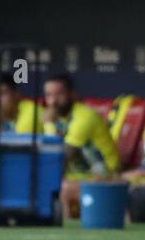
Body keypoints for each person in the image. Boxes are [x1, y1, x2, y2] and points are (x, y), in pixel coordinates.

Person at [41, 74, 120, 218]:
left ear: (72, 94)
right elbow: (49, 155)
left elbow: (61, 159)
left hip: (105, 175)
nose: (53, 101)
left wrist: (49, 124)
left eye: (59, 94)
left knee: (61, 187)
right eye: (48, 95)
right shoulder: (55, 117)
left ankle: (63, 233)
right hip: (77, 175)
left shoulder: (84, 116)